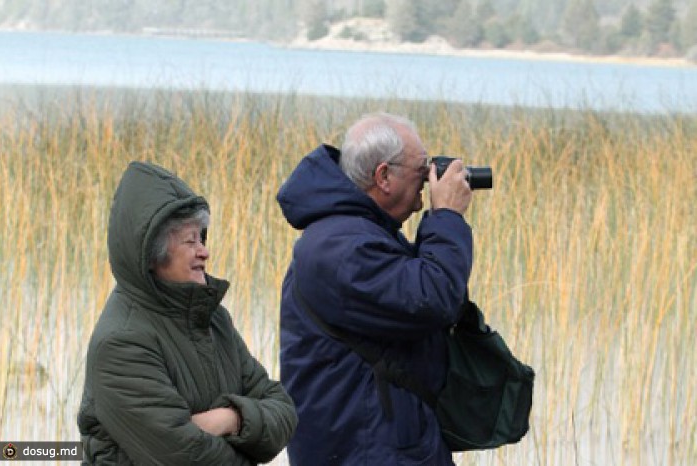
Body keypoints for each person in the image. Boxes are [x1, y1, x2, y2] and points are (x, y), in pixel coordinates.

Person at [277, 112, 474, 465]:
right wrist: (447, 216)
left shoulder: (357, 233)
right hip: (365, 449)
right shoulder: (344, 248)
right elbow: (433, 299)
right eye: (421, 170)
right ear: (384, 176)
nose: (429, 180)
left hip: (377, 442)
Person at [78, 161, 297, 465]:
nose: (204, 251)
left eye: (202, 238)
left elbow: (282, 408)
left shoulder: (210, 317)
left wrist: (232, 419)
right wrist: (248, 438)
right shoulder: (122, 343)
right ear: (152, 254)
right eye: (190, 241)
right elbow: (186, 457)